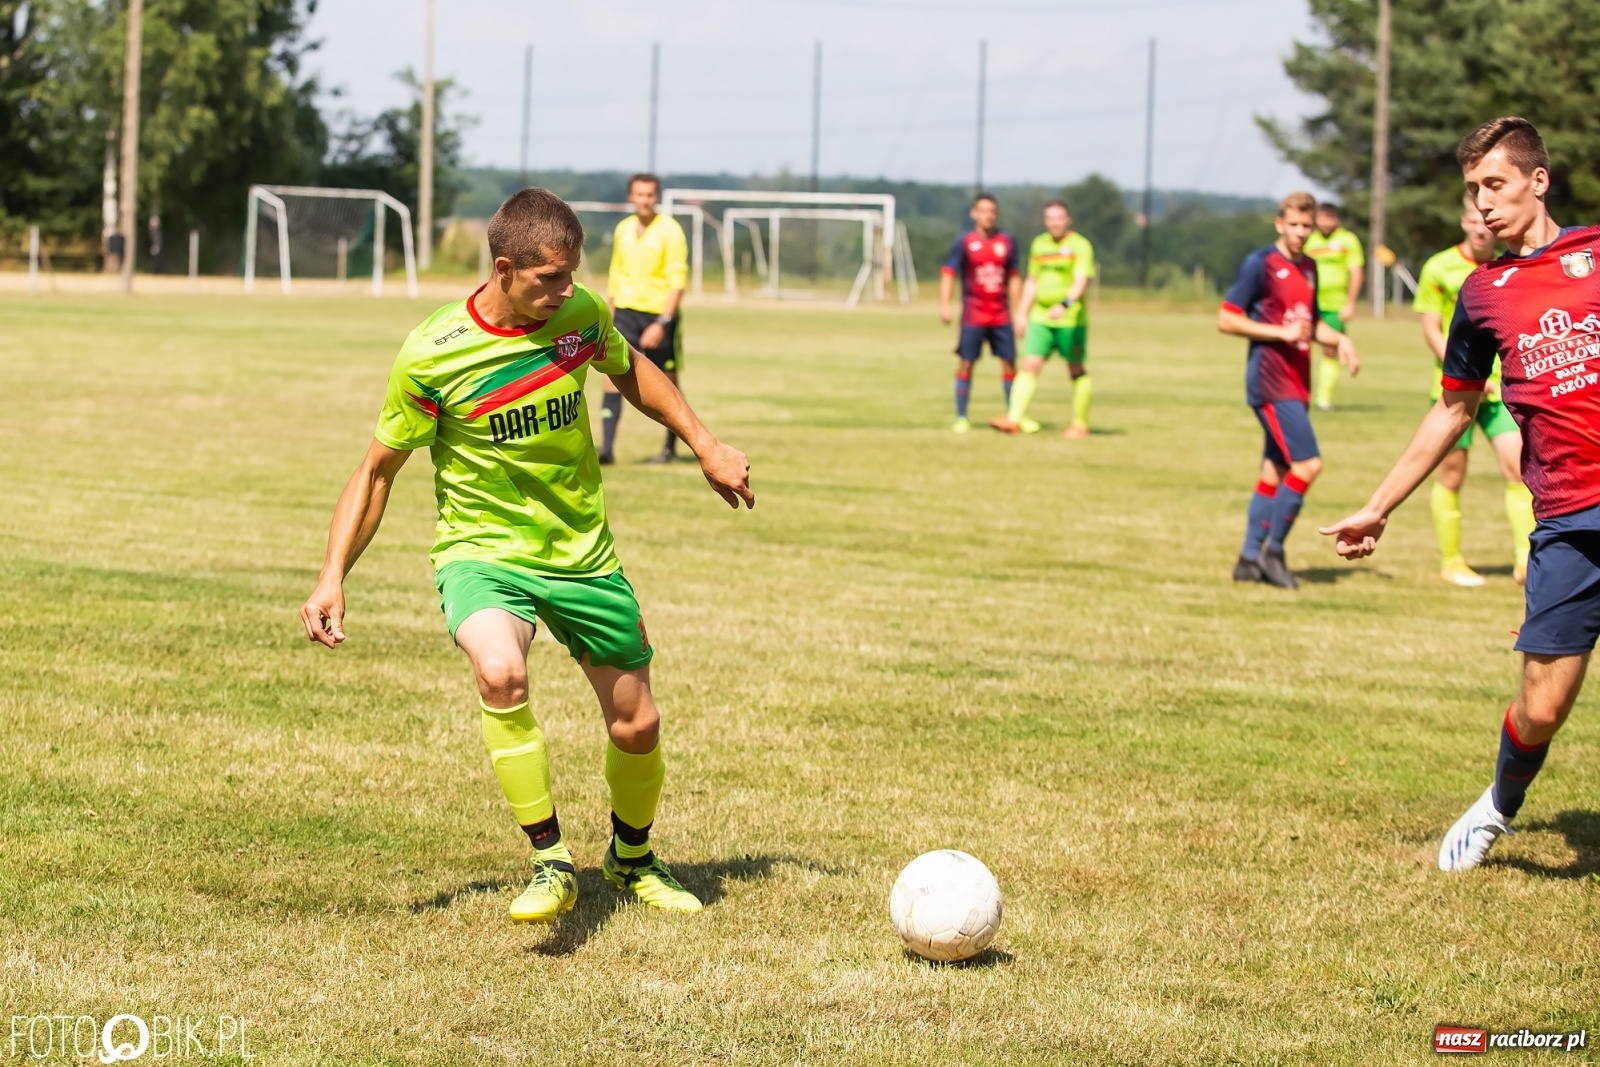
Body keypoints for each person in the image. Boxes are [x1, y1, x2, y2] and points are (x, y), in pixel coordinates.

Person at [299, 188, 754, 923]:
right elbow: (377, 471)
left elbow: (631, 369)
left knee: (637, 725)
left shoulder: (578, 317)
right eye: (549, 279)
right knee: (501, 670)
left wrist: (705, 444)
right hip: (482, 550)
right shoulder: (433, 354)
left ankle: (631, 858)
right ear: (504, 268)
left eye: (572, 275)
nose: (566, 291)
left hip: (581, 553)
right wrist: (331, 577)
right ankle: (550, 860)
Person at [1321, 117, 1600, 872]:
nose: (1482, 203)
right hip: (1571, 518)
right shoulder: (1482, 293)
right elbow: (1453, 407)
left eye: (1495, 185)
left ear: (1539, 182)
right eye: (1474, 189)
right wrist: (1379, 504)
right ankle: (1499, 806)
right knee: (1542, 706)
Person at [1219, 191, 1360, 590]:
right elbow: (1227, 319)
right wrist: (1278, 332)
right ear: (1279, 223)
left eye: (1306, 227)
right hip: (1270, 381)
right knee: (1308, 465)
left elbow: (1309, 323)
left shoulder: (1310, 268)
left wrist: (1340, 340)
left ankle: (1248, 559)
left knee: (1274, 470)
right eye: (1294, 225)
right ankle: (1273, 553)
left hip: (1297, 382)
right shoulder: (1261, 264)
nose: (1300, 233)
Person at [1414, 195, 1536, 587]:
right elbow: (1432, 329)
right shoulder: (1440, 267)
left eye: (1486, 219)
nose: (1481, 227)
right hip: (1454, 390)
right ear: (1464, 223)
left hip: (1501, 390)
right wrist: (1467, 372)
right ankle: (1452, 561)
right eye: (1473, 219)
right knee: (1452, 473)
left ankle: (1524, 559)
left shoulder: (1508, 266)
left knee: (1518, 467)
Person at [599, 173, 690, 465]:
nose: (645, 200)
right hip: (625, 313)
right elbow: (616, 275)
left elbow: (678, 281)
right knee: (613, 377)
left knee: (667, 382)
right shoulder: (623, 229)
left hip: (658, 316)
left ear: (657, 197)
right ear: (631, 197)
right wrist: (609, 316)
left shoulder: (671, 231)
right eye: (640, 194)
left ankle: (669, 449)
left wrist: (662, 323)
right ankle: (608, 450)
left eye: (650, 194)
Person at [992, 199, 1096, 437]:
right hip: (1041, 316)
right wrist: (1021, 314)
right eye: (1050, 218)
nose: (1055, 223)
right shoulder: (1040, 245)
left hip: (1071, 319)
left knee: (1076, 368)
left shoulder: (1080, 245)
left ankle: (1080, 424)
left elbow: (1081, 280)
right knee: (1029, 364)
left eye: (1059, 218)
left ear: (1067, 219)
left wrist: (1065, 304)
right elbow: (1032, 281)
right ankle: (1013, 419)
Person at [939, 193, 1021, 433]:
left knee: (1009, 364)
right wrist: (945, 304)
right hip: (973, 314)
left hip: (1001, 315)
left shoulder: (1007, 241)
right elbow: (948, 272)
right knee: (966, 363)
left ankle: (1013, 415)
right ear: (974, 213)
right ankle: (962, 416)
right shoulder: (964, 241)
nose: (988, 216)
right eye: (983, 211)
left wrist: (1019, 312)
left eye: (992, 211)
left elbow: (1014, 276)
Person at [1303, 202, 1365, 412]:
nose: (1326, 222)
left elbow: (1356, 271)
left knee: (1330, 349)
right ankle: (1301, 393)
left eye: (1330, 217)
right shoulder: (1309, 239)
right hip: (1309, 301)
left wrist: (1350, 303)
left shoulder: (1348, 240)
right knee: (1301, 347)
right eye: (1322, 217)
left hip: (1334, 305)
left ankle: (1323, 398)